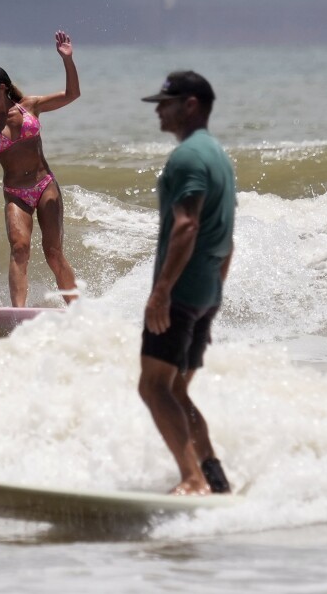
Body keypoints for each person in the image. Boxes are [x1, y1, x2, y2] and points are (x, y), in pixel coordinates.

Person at [138, 71, 236, 496]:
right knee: (177, 388)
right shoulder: (218, 155)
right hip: (206, 290)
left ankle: (192, 479)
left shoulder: (187, 158)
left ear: (191, 105)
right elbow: (226, 233)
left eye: (166, 101)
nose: (158, 109)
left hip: (181, 292)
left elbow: (187, 226)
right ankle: (214, 476)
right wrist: (212, 293)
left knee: (153, 385)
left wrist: (162, 292)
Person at [0, 31, 81, 307]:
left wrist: (68, 60)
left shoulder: (31, 107)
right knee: (19, 249)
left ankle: (77, 309)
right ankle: (17, 316)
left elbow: (73, 94)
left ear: (2, 87)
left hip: (44, 186)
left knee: (53, 252)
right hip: (15, 193)